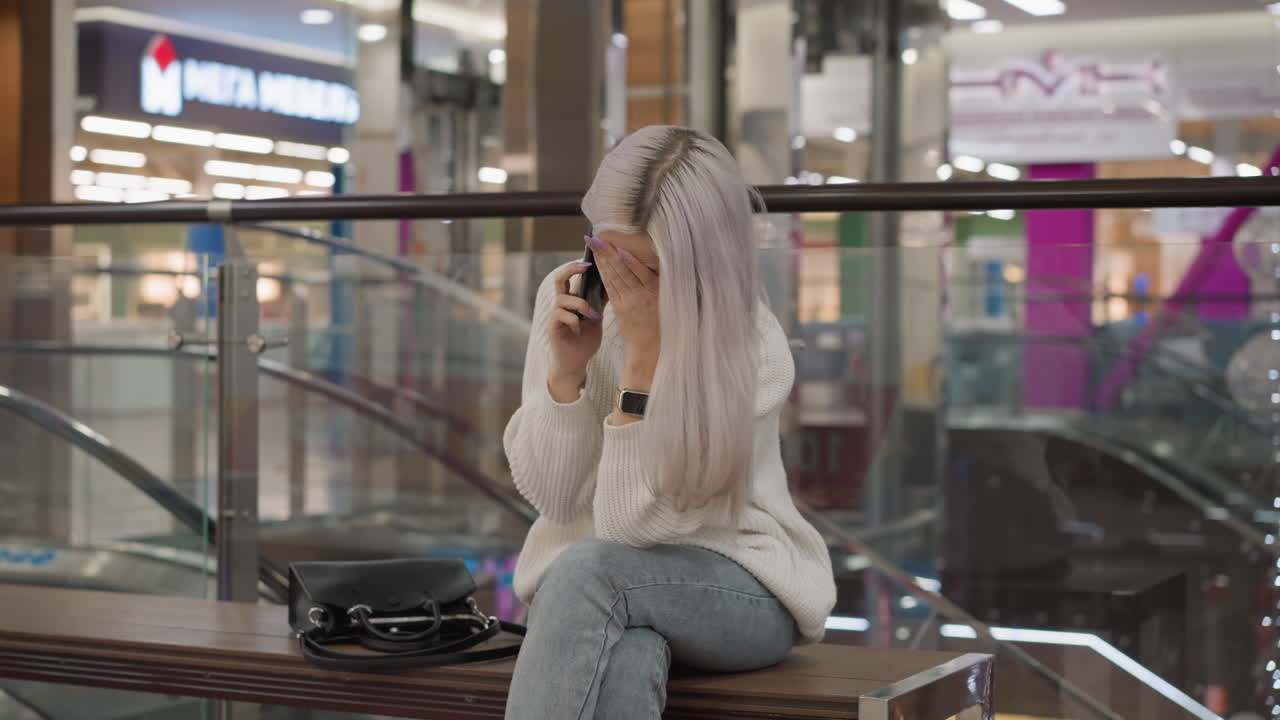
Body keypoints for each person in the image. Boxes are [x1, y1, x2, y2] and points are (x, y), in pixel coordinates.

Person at [502, 125, 836, 720]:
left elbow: (633, 528)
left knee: (587, 569)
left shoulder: (750, 343)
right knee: (626, 656)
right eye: (611, 257)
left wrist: (643, 363)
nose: (626, 285)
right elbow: (553, 498)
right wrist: (566, 377)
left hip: (743, 587)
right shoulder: (568, 300)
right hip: (604, 597)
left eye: (650, 268)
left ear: (702, 262)